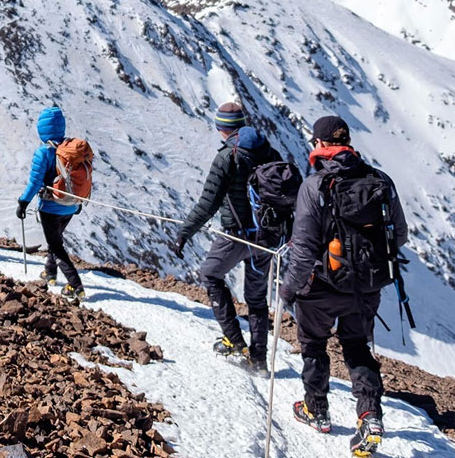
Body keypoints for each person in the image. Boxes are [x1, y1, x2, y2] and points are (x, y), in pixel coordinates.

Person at [281, 115, 408, 456]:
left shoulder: (314, 186)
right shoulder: (381, 181)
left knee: (314, 345)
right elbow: (400, 233)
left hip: (320, 287)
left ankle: (316, 410)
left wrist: (287, 290)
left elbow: (304, 248)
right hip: (366, 286)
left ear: (320, 145)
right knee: (356, 347)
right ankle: (370, 417)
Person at [172, 102, 282, 372]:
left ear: (221, 128)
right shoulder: (268, 151)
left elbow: (208, 202)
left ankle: (234, 340)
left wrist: (185, 232)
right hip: (266, 237)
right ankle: (258, 359)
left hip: (236, 236)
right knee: (256, 299)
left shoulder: (227, 156)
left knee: (210, 274)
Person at [17, 106, 85, 303]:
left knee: (56, 245)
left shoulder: (44, 152)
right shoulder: (72, 149)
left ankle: (75, 285)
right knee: (55, 239)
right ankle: (50, 273)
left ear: (42, 128)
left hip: (50, 207)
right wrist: (78, 200)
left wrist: (23, 202)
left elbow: (35, 182)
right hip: (71, 206)